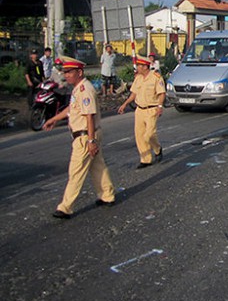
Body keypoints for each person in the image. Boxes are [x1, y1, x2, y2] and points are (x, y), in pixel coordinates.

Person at [43, 56, 116, 219]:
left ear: (80, 72)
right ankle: (107, 195)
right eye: (65, 72)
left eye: (69, 72)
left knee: (76, 171)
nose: (66, 75)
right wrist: (54, 119)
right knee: (97, 166)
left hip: (85, 136)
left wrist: (90, 141)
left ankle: (65, 207)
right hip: (86, 134)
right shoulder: (78, 88)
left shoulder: (85, 89)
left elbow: (89, 116)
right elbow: (71, 109)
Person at [118, 55, 166, 169]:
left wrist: (160, 106)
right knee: (139, 135)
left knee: (149, 134)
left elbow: (161, 93)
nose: (137, 68)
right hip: (139, 109)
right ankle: (146, 159)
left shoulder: (156, 77)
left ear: (145, 66)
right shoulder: (138, 78)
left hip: (152, 109)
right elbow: (133, 94)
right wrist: (124, 104)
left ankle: (157, 149)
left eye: (139, 66)